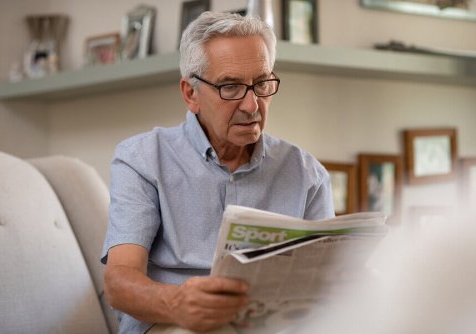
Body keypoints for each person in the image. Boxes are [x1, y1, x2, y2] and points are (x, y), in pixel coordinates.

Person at [101, 11, 335, 334]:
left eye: (262, 83)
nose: (252, 105)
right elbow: (119, 283)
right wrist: (179, 303)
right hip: (171, 324)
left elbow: (323, 284)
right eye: (230, 87)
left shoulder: (308, 174)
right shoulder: (142, 159)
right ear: (190, 94)